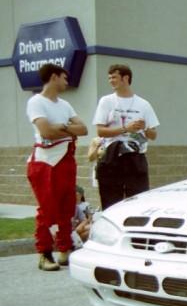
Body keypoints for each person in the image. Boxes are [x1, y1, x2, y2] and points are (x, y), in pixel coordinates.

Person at [25, 63, 88, 271]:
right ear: (54, 77)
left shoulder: (65, 105)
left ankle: (64, 249)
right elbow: (46, 132)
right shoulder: (36, 102)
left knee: (66, 208)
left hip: (66, 161)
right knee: (47, 210)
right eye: (64, 78)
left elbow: (84, 129)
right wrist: (68, 130)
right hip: (45, 162)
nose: (66, 82)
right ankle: (44, 254)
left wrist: (62, 127)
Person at [92, 64, 159, 209]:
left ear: (126, 78)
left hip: (135, 158)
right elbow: (100, 131)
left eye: (114, 77)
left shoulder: (144, 104)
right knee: (111, 202)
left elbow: (153, 135)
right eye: (109, 78)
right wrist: (125, 129)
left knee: (138, 201)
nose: (111, 81)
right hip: (111, 157)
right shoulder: (106, 101)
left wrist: (144, 128)